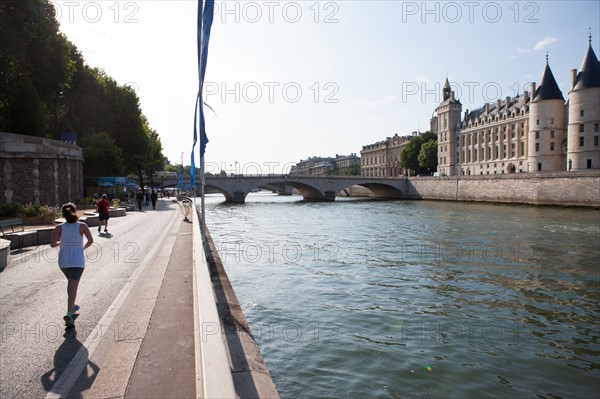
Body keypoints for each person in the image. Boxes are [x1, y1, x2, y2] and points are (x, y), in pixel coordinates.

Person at [50, 203, 94, 328]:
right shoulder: (82, 226)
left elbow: (52, 244)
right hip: (77, 261)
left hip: (63, 262)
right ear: (75, 211)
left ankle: (73, 306)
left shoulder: (59, 228)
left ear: (63, 214)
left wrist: (61, 241)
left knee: (71, 284)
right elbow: (91, 241)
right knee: (73, 286)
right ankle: (69, 314)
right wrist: (82, 248)